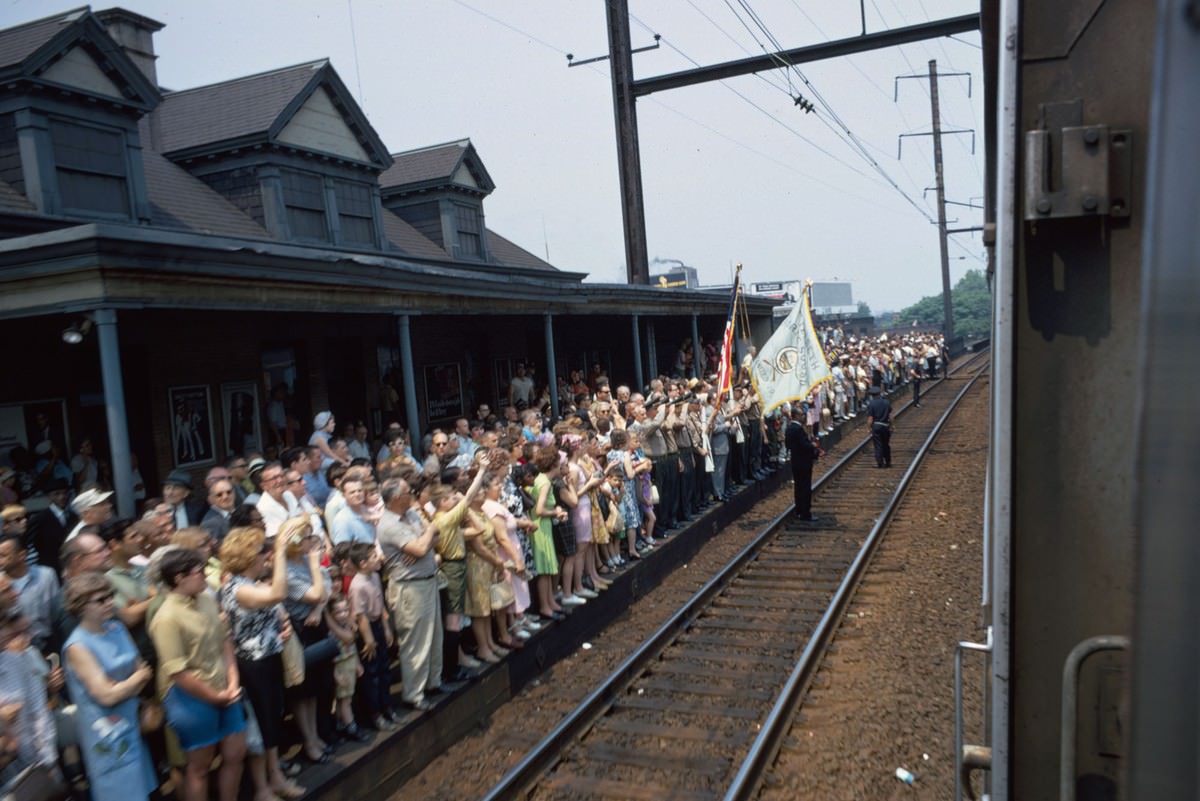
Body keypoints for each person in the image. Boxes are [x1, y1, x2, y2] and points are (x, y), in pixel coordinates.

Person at [148, 548, 247, 801]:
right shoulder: (166, 617)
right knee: (199, 767)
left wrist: (233, 681)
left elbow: (224, 641)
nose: (206, 576)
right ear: (179, 578)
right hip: (192, 698)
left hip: (226, 687)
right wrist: (215, 697)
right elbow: (178, 672)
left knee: (235, 754)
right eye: (199, 572)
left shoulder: (205, 599)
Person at [217, 526, 305, 801]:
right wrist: (279, 550)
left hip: (268, 659)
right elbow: (278, 594)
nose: (264, 557)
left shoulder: (250, 584)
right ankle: (262, 789)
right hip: (253, 666)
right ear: (246, 557)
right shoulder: (239, 589)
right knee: (262, 726)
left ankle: (275, 777)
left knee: (272, 721)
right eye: (260, 552)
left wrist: (281, 629)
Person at [61, 572, 157, 801]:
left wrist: (122, 685)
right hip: (106, 735)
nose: (109, 603)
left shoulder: (117, 628)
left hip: (132, 722)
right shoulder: (77, 646)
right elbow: (106, 696)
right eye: (100, 600)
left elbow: (143, 670)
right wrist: (133, 681)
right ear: (81, 606)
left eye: (110, 596)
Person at [346, 543, 396, 730]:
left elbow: (381, 605)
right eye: (373, 557)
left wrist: (387, 628)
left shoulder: (374, 576)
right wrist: (369, 639)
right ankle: (375, 714)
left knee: (384, 668)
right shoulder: (357, 586)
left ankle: (387, 707)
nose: (378, 559)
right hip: (368, 631)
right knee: (372, 674)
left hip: (378, 624)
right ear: (363, 563)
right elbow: (361, 616)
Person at [785, 406, 820, 521]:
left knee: (798, 487)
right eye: (801, 415)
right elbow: (804, 445)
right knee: (805, 487)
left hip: (795, 461)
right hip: (803, 462)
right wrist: (813, 447)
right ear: (795, 416)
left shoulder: (789, 428)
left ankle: (799, 510)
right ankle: (805, 513)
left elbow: (788, 444)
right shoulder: (797, 429)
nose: (803, 416)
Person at [866, 385, 893, 469]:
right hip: (885, 426)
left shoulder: (871, 404)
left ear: (872, 395)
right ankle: (888, 461)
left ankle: (879, 462)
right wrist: (892, 426)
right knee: (886, 444)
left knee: (878, 445)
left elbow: (870, 418)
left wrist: (869, 428)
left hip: (876, 426)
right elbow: (891, 416)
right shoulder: (886, 402)